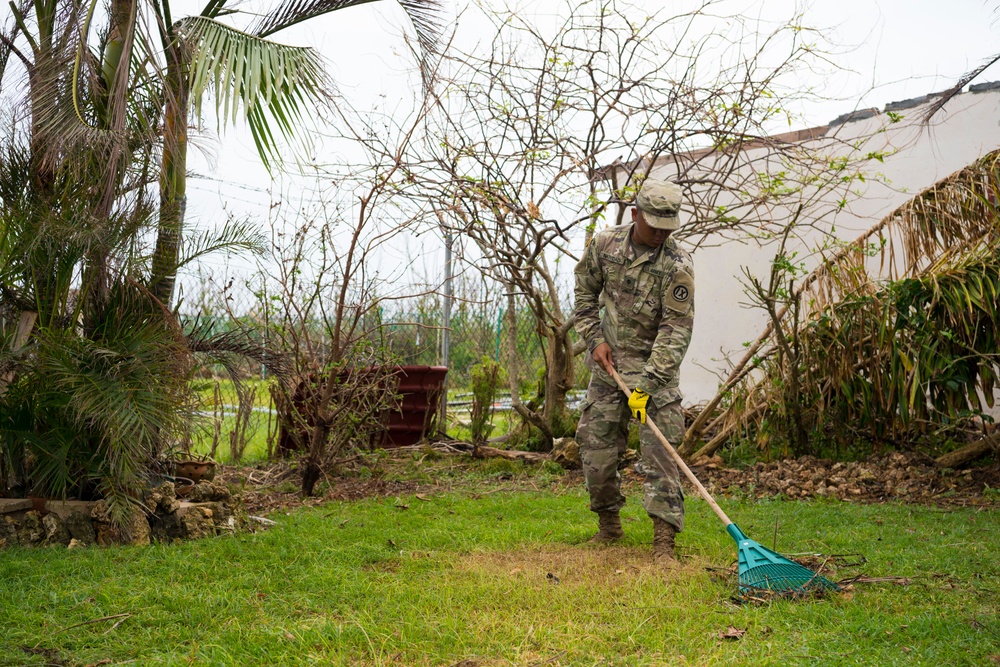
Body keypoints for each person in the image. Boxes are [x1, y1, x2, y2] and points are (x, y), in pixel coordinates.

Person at [573, 178, 695, 560]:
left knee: (661, 457)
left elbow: (675, 332)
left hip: (655, 376)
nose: (660, 233)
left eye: (667, 226)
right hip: (609, 372)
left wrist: (647, 385)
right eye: (653, 224)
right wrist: (595, 340)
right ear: (634, 214)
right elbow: (583, 293)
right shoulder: (604, 244)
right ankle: (608, 526)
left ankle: (664, 543)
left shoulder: (677, 266)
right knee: (597, 451)